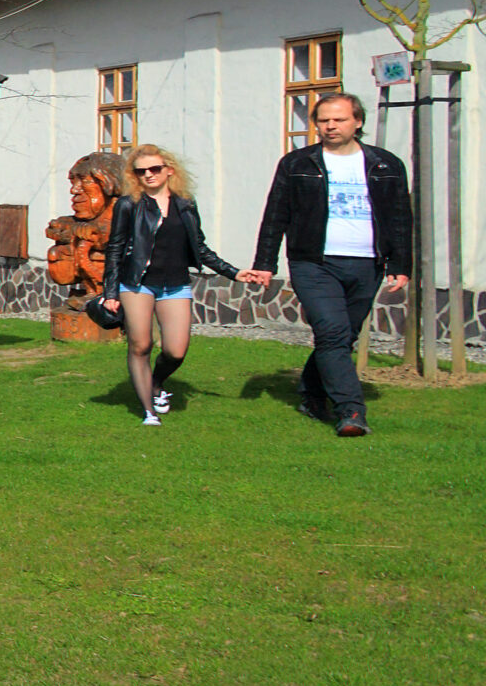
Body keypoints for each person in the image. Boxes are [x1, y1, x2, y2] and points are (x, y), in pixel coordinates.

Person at [238, 92, 412, 437]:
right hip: (313, 262)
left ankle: (312, 394)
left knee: (342, 337)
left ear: (357, 122)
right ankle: (351, 411)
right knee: (332, 333)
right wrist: (265, 263)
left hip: (367, 262)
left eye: (339, 119)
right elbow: (276, 216)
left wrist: (400, 263)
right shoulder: (297, 163)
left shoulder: (386, 164)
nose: (330, 126)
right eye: (323, 120)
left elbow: (399, 218)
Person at [99, 144, 240, 425]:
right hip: (137, 284)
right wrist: (110, 292)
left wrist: (235, 273)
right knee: (141, 344)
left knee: (176, 351)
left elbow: (200, 247)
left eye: (154, 169)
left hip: (175, 285)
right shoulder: (128, 205)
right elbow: (114, 249)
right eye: (141, 171)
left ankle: (155, 381)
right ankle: (148, 411)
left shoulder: (186, 204)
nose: (148, 175)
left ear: (169, 171)